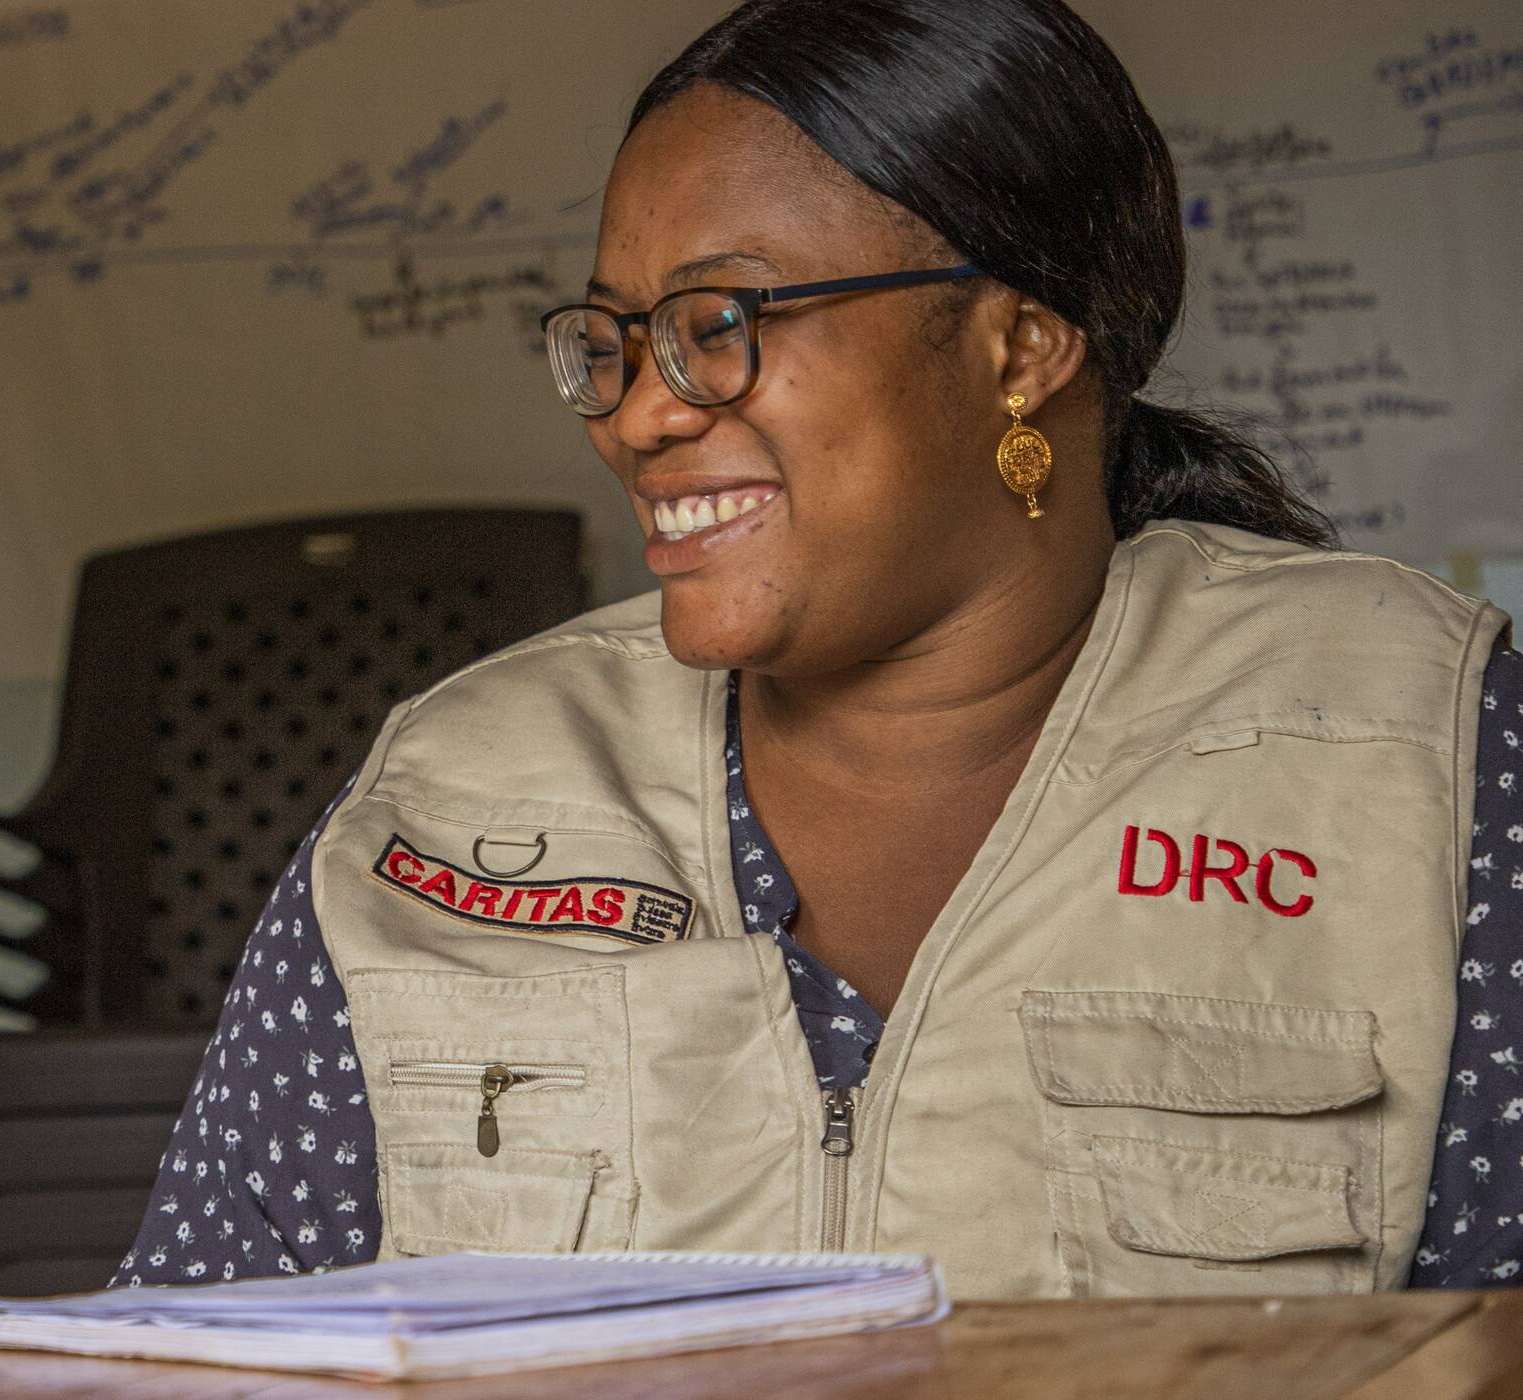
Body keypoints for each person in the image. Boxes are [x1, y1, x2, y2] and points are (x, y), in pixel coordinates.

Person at [120, 0, 1522, 1297]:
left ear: (1020, 343)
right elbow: (188, 1353)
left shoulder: (1427, 753)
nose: (638, 414)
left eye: (718, 325)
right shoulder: (453, 792)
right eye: (615, 340)